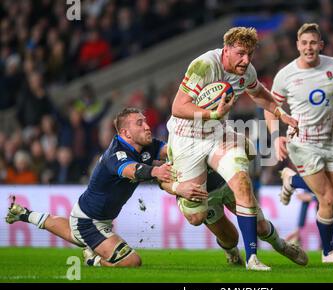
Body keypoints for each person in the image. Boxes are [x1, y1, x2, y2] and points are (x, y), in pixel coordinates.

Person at [5, 108, 206, 267]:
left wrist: (197, 145)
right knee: (132, 261)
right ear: (125, 132)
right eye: (140, 123)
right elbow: (131, 170)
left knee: (73, 234)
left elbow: (171, 150)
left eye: (145, 121)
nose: (147, 126)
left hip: (90, 216)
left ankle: (23, 214)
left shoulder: (146, 145)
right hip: (89, 222)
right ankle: (94, 260)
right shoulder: (115, 154)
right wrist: (156, 172)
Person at [167, 27, 298, 271]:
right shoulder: (204, 65)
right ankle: (211, 199)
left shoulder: (246, 71)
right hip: (187, 138)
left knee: (242, 179)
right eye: (240, 53)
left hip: (218, 135)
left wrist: (281, 113)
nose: (245, 60)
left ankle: (252, 258)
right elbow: (177, 107)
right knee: (196, 217)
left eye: (249, 54)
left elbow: (258, 93)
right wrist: (212, 113)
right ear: (225, 50)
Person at [265, 23, 333, 263]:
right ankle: (329, 253)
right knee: (327, 198)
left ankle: (291, 180)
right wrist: (276, 139)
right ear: (298, 46)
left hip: (329, 141)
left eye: (313, 42)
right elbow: (270, 108)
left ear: (321, 45)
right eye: (304, 43)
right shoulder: (286, 75)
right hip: (302, 142)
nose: (309, 47)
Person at [160, 143, 308, 267]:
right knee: (230, 239)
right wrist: (177, 189)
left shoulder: (216, 131)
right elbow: (163, 178)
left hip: (228, 185)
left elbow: (249, 151)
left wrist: (239, 146)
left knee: (261, 228)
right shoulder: (179, 143)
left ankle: (281, 246)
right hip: (204, 196)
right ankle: (232, 253)